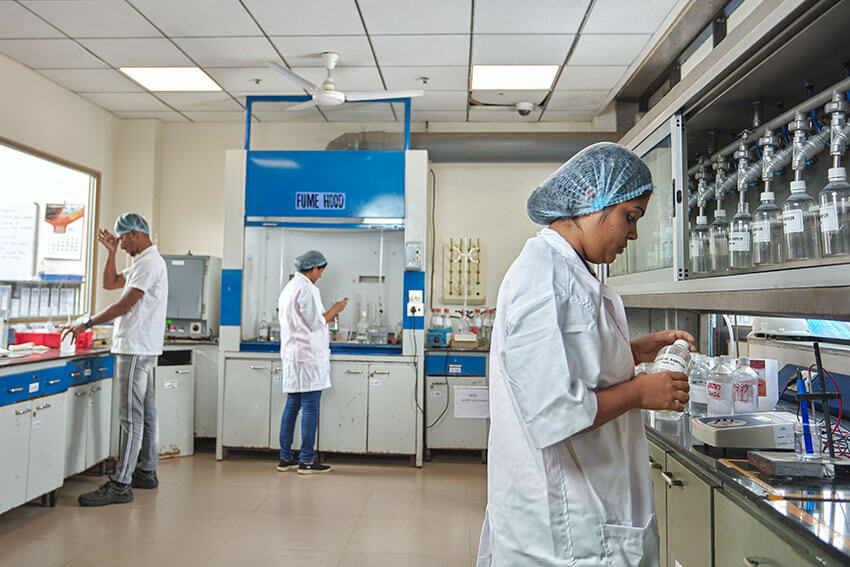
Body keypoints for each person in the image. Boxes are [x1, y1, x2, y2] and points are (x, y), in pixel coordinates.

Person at [477, 143, 694, 566]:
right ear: (594, 204)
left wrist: (632, 352)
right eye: (629, 217)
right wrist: (639, 393)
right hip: (566, 525)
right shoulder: (544, 279)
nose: (633, 234)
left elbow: (569, 364)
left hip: (581, 513)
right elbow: (556, 410)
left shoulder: (566, 271)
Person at [64, 213, 168, 506]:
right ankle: (146, 471)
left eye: (122, 240)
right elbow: (110, 283)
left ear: (136, 233)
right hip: (141, 347)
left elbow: (124, 303)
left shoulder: (148, 263)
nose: (121, 245)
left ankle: (121, 484)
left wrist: (86, 322)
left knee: (130, 416)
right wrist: (109, 253)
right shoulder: (142, 263)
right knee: (145, 412)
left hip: (135, 348)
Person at [276, 250, 348, 474]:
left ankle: (285, 457)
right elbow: (317, 323)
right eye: (321, 271)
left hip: (293, 355)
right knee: (309, 407)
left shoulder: (289, 287)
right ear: (314, 268)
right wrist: (335, 309)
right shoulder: (308, 289)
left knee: (291, 407)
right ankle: (306, 460)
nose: (321, 275)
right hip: (308, 357)